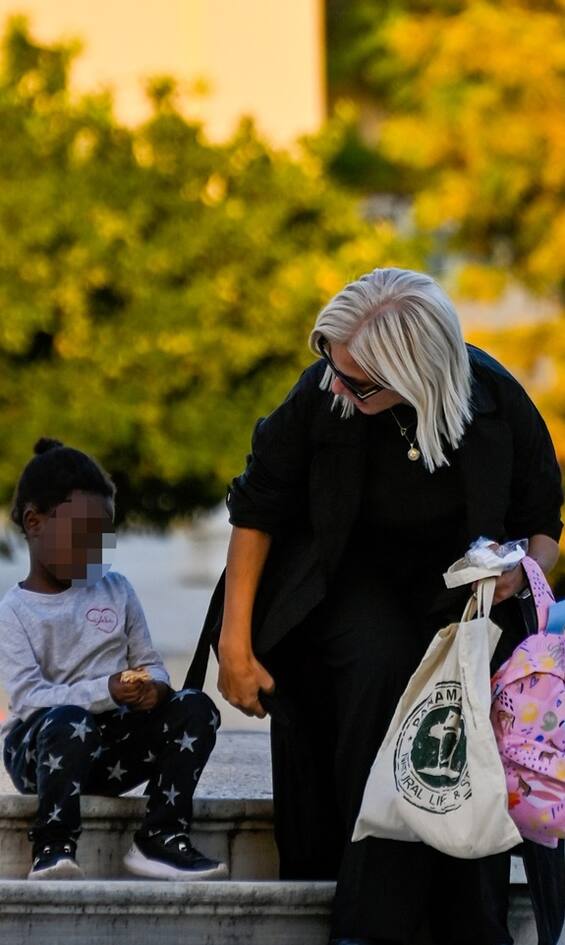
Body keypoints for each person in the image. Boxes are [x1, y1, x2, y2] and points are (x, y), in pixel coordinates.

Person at [186, 268, 565, 945]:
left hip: (462, 598)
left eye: (356, 380)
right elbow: (256, 507)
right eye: (329, 365)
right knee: (383, 672)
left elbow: (542, 521)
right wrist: (234, 645)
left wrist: (521, 572)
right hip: (336, 584)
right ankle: (369, 925)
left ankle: (463, 920)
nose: (336, 384)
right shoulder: (321, 394)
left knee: (456, 712)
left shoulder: (496, 401)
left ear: (415, 374)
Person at [0, 438, 227, 882]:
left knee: (195, 706)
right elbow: (29, 700)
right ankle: (53, 846)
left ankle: (161, 837)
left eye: (102, 538)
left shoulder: (116, 589)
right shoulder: (15, 610)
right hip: (43, 749)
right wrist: (105, 692)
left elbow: (151, 663)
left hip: (110, 748)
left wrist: (154, 688)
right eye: (81, 536)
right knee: (68, 720)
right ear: (35, 523)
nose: (94, 551)